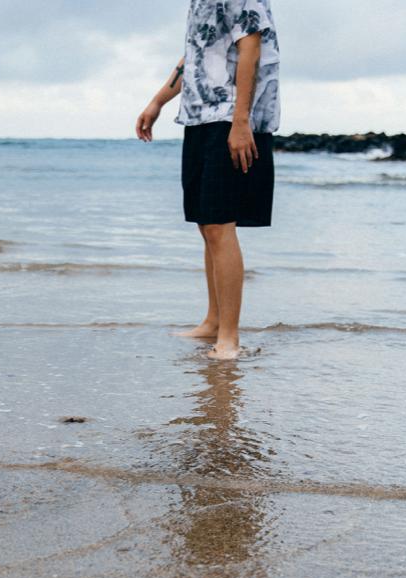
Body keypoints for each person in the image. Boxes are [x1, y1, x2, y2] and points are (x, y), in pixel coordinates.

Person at [137, 0, 281, 361]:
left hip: (230, 118)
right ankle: (213, 322)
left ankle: (229, 340)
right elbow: (197, 52)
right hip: (200, 118)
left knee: (220, 224)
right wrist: (158, 101)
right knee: (207, 225)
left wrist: (241, 121)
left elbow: (251, 47)